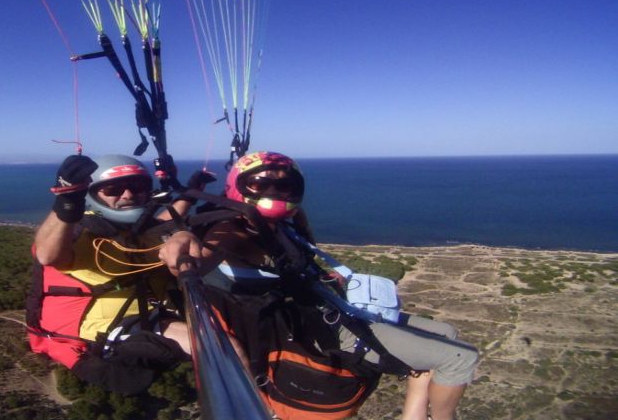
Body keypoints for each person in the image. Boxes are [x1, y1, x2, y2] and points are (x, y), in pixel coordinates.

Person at [159, 151, 479, 420]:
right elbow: (210, 251)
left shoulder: (274, 223)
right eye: (261, 184)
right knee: (459, 358)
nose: (275, 191)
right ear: (239, 188)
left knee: (448, 333)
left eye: (285, 185)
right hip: (320, 330)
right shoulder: (234, 226)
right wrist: (185, 240)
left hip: (325, 308)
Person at [26, 153, 207, 395]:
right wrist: (67, 203)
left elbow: (165, 221)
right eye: (113, 189)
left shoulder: (138, 230)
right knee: (218, 345)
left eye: (137, 187)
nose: (128, 195)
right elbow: (48, 255)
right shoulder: (83, 233)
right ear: (93, 194)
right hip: (102, 328)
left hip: (145, 314)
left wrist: (191, 192)